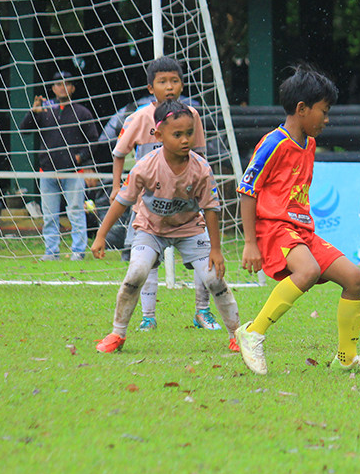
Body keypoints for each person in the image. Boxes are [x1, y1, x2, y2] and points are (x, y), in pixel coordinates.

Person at [234, 64, 360, 376]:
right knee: (307, 271)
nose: (327, 118)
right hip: (275, 228)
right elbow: (247, 190)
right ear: (302, 108)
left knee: (356, 279)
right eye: (324, 110)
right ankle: (252, 332)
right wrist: (250, 242)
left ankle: (347, 359)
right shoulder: (272, 143)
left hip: (302, 230)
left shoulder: (310, 143)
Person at [91, 101, 240, 353]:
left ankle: (237, 336)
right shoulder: (145, 166)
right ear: (159, 135)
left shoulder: (201, 169)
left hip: (190, 230)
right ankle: (117, 334)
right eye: (177, 134)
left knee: (215, 279)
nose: (185, 140)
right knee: (136, 273)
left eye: (189, 133)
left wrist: (216, 249)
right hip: (151, 229)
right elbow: (121, 201)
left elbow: (211, 210)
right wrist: (100, 235)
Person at [110, 57, 222, 334]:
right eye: (163, 82)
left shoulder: (191, 116)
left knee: (203, 256)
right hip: (147, 207)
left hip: (185, 206)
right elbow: (119, 152)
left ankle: (202, 311)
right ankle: (148, 316)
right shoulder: (138, 117)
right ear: (151, 87)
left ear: (183, 84)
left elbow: (199, 155)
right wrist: (117, 187)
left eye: (175, 81)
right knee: (146, 261)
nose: (169, 87)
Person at [18, 70, 96, 260]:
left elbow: (94, 141)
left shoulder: (82, 112)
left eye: (67, 84)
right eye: (59, 84)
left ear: (73, 88)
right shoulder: (44, 110)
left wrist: (80, 158)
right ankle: (51, 252)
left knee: (76, 212)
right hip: (48, 172)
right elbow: (24, 130)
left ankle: (78, 252)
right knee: (49, 215)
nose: (63, 87)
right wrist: (32, 112)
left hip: (73, 172)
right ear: (53, 88)